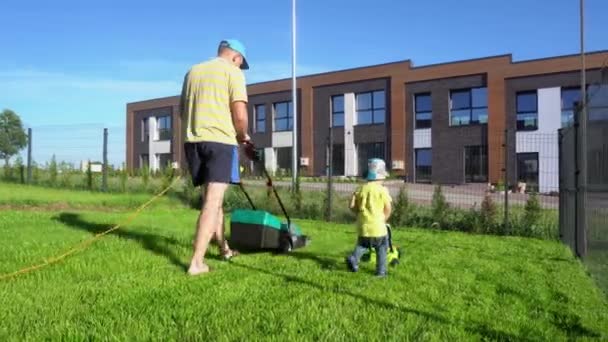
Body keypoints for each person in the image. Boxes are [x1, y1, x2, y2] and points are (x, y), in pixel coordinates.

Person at [179, 39, 253, 276]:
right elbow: (240, 115)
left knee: (213, 200)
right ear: (237, 58)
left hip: (193, 142)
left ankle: (224, 248)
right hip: (220, 142)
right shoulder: (234, 73)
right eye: (241, 64)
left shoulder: (193, 71)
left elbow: (182, 110)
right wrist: (243, 136)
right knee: (212, 202)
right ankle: (197, 263)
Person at [345, 158, 393, 277]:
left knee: (362, 245)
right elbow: (388, 208)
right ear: (380, 177)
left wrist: (359, 214)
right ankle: (381, 272)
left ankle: (354, 258)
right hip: (378, 227)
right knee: (382, 247)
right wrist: (384, 218)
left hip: (363, 226)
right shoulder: (382, 190)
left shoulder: (360, 189)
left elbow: (351, 206)